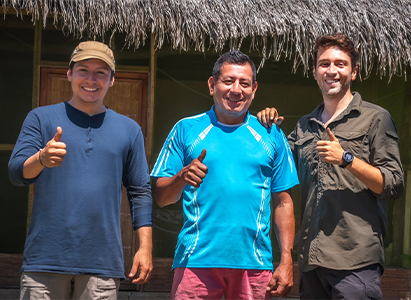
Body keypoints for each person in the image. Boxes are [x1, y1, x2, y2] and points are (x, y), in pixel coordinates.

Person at [257, 33, 404, 299]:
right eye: (324, 64)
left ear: (354, 71)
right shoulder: (303, 126)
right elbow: (274, 169)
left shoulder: (376, 119)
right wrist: (266, 125)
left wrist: (347, 159)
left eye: (340, 64)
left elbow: (393, 185)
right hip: (312, 261)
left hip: (356, 261)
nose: (332, 71)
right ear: (315, 72)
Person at [8, 41, 153, 299]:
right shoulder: (41, 118)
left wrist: (145, 247)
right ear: (69, 74)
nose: (91, 79)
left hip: (102, 263)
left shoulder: (129, 130)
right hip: (45, 260)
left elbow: (139, 191)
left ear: (112, 81)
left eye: (101, 73)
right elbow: (17, 173)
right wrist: (41, 158)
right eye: (83, 70)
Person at [151, 50, 299, 299]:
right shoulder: (186, 129)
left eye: (244, 83)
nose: (236, 90)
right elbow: (162, 197)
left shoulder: (271, 134)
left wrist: (286, 261)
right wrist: (181, 176)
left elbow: (283, 202)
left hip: (254, 264)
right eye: (228, 81)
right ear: (212, 85)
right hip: (195, 262)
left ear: (254, 89)